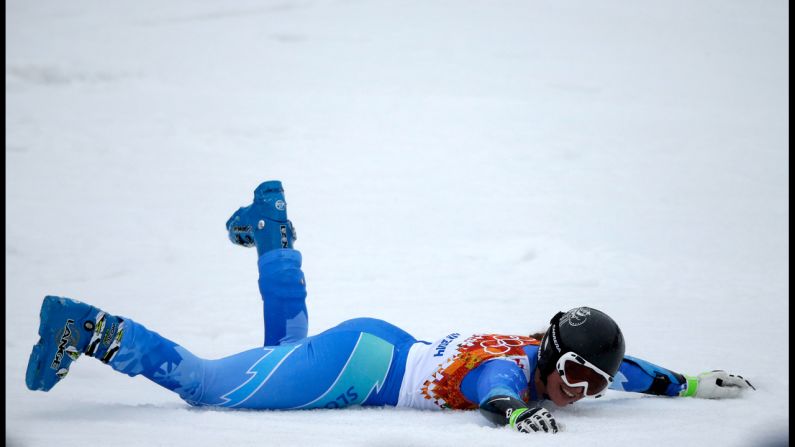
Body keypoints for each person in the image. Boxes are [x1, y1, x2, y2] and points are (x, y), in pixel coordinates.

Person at [25, 180, 755, 434]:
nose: (580, 390)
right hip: (363, 367)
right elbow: (488, 390)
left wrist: (686, 382)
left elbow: (630, 370)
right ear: (548, 349)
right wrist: (509, 414)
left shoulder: (558, 358)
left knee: (282, 353)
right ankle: (86, 328)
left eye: (590, 383)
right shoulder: (510, 367)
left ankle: (274, 230)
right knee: (213, 388)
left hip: (377, 347)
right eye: (574, 374)